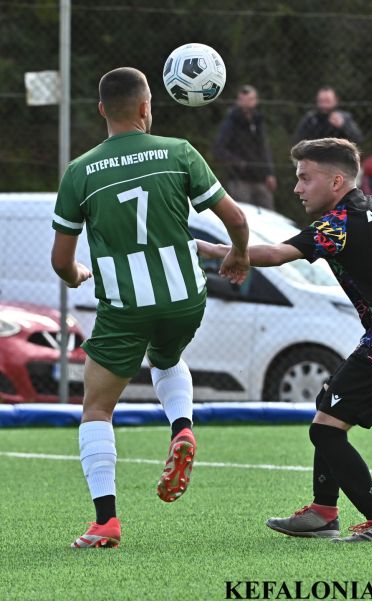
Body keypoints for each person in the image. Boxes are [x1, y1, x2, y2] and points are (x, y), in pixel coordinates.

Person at [197, 137, 372, 543]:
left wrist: (212, 249)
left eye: (305, 178)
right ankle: (322, 512)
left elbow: (277, 255)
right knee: (327, 408)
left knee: (326, 431)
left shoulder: (340, 223)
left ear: (336, 182)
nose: (297, 187)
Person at [51, 67, 249, 549]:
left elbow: (60, 261)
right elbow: (237, 219)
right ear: (146, 107)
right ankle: (182, 427)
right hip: (185, 298)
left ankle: (106, 522)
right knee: (167, 356)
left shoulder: (80, 172)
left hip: (125, 306)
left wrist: (76, 275)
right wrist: (239, 255)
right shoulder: (179, 152)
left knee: (98, 408)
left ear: (102, 110)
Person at [213, 85, 277, 210]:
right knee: (244, 213)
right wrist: (238, 163)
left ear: (256, 101)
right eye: (243, 100)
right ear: (238, 101)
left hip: (260, 178)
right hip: (239, 179)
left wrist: (270, 173)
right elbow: (219, 149)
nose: (247, 103)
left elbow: (264, 148)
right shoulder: (231, 122)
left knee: (269, 213)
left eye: (250, 99)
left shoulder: (258, 121)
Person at [294, 87, 363, 145]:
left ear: (336, 101)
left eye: (327, 101)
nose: (324, 105)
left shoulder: (345, 117)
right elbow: (298, 142)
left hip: (339, 155)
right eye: (321, 101)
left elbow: (358, 140)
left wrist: (343, 126)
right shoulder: (310, 119)